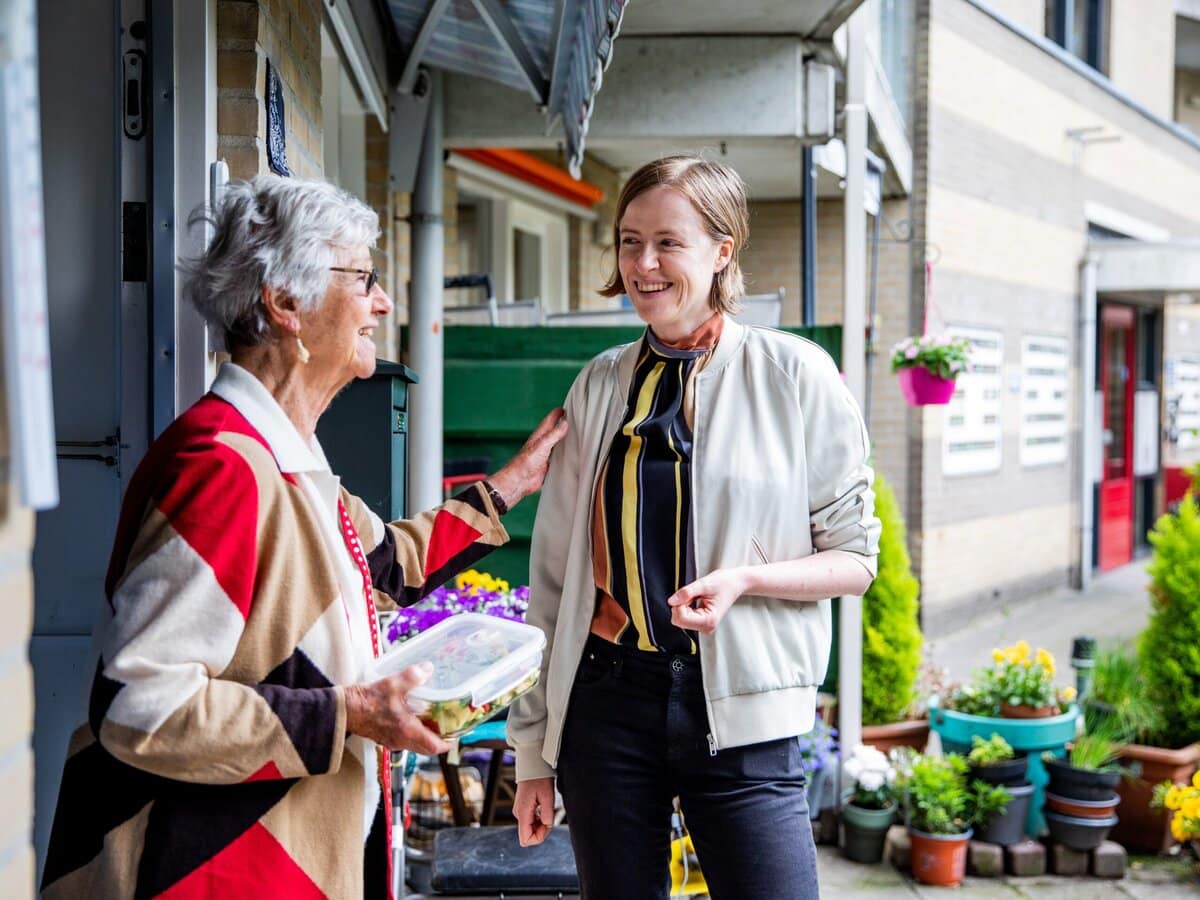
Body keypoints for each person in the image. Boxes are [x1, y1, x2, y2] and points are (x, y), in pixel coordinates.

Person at [40, 174, 568, 900]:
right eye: (363, 279)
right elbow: (140, 706)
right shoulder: (222, 468)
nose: (382, 302)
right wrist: (350, 712)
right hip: (213, 870)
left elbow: (382, 563)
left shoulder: (283, 451)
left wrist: (513, 483)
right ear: (285, 303)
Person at [508, 156, 881, 899]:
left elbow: (855, 559)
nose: (644, 263)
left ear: (722, 251)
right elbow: (551, 578)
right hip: (605, 707)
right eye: (629, 241)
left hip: (744, 714)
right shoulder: (600, 384)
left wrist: (747, 580)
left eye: (668, 243)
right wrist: (532, 755)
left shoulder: (796, 376)